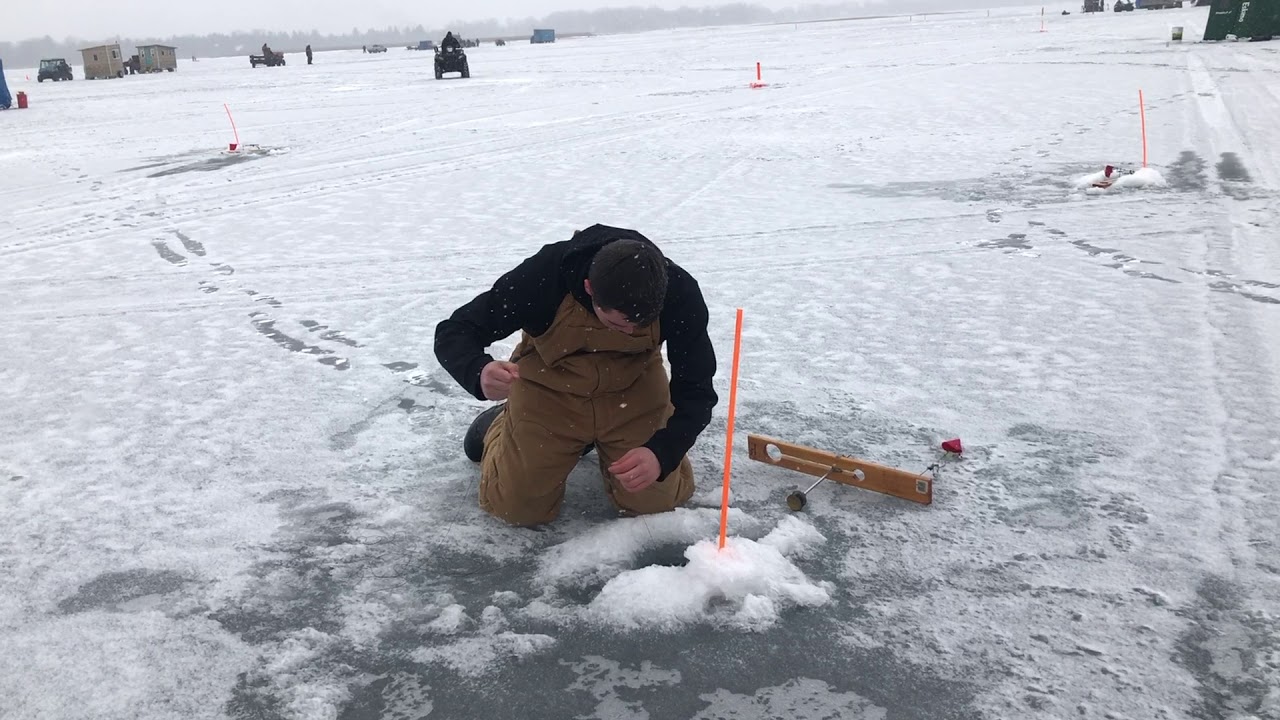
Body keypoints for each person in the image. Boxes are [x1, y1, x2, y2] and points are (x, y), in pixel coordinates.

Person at [434, 224, 718, 527]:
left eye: (641, 324)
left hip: (633, 386)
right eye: (618, 324)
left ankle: (604, 438)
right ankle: (500, 427)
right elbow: (455, 331)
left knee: (653, 503)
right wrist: (479, 371)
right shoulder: (544, 276)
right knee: (517, 510)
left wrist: (663, 452)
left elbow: (696, 389)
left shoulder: (679, 292)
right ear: (589, 289)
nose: (632, 332)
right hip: (551, 383)